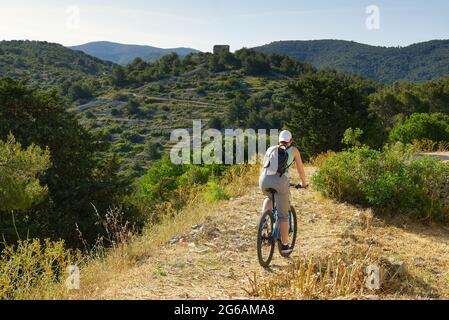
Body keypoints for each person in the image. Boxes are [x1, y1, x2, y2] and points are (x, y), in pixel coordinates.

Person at [259, 130, 308, 255]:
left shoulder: (271, 149)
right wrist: (303, 183)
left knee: (270, 197)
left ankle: (264, 222)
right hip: (280, 182)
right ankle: (285, 246)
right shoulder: (294, 150)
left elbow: (264, 165)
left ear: (279, 140)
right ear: (290, 141)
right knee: (283, 215)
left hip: (264, 180)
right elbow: (301, 170)